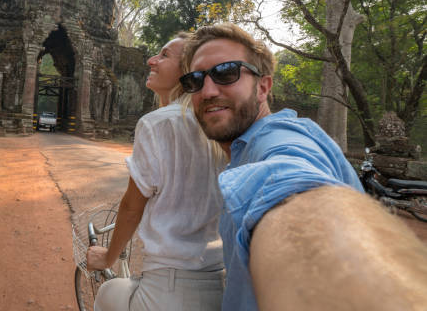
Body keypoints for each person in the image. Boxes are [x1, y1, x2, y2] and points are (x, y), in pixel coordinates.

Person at [180, 23, 427, 310]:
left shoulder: (278, 139)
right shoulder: (243, 148)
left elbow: (291, 183)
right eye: (194, 80)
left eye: (226, 73)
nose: (207, 90)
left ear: (262, 87)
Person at [86, 33, 226, 311]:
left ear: (188, 71)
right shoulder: (223, 121)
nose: (151, 60)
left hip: (169, 289)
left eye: (163, 55)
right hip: (220, 282)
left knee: (107, 293)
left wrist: (107, 258)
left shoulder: (157, 122)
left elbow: (131, 208)